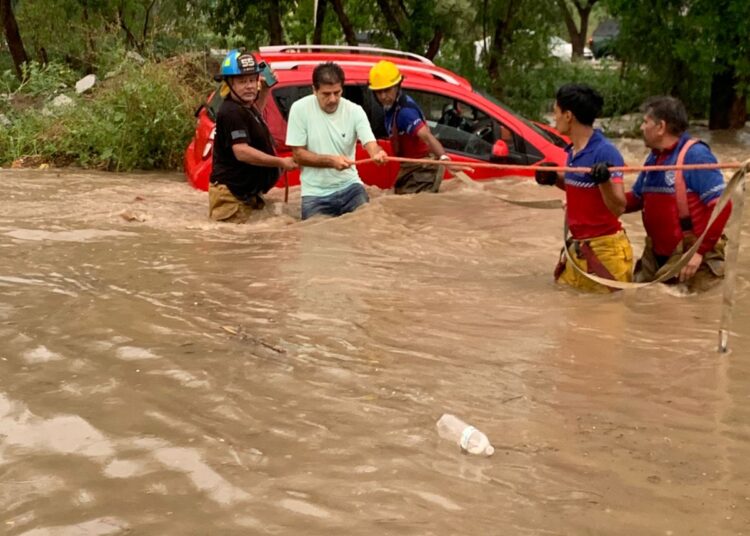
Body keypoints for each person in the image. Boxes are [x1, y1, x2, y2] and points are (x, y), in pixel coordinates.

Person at [625, 96, 731, 291]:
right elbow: (634, 200)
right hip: (658, 257)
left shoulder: (695, 155)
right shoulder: (653, 158)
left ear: (660, 127)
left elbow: (722, 204)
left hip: (693, 260)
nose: (641, 128)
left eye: (645, 122)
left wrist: (698, 252)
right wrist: (599, 192)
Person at [535, 83, 632, 293]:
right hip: (579, 248)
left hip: (606, 252)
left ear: (568, 116)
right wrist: (554, 178)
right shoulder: (573, 152)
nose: (554, 119)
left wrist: (604, 180)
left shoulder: (605, 152)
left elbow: (618, 207)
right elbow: (581, 187)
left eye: (556, 112)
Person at [285, 62, 388, 220]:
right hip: (314, 195)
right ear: (314, 90)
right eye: (326, 94)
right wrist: (331, 161)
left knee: (368, 228)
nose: (333, 99)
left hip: (351, 188)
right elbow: (298, 155)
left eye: (337, 92)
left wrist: (378, 153)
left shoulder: (355, 111)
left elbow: (370, 143)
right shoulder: (299, 109)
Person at [209, 49, 297, 223]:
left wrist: (264, 90)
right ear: (229, 84)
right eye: (242, 81)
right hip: (232, 197)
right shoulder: (231, 112)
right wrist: (280, 162)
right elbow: (241, 151)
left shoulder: (245, 106)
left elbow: (255, 114)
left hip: (245, 194)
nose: (249, 86)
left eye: (252, 80)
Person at [368, 60, 451, 194]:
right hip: (411, 168)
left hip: (422, 169)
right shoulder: (391, 106)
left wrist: (444, 158)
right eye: (379, 92)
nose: (383, 96)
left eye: (387, 90)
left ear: (397, 86)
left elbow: (427, 137)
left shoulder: (405, 113)